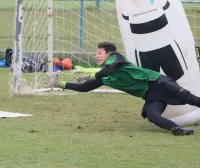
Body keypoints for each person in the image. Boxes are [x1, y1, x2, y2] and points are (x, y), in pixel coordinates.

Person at [44, 42, 200, 136]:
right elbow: (84, 88)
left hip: (159, 82)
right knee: (152, 116)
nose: (96, 56)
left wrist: (92, 75)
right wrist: (61, 84)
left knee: (191, 99)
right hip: (150, 95)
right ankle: (176, 129)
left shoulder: (116, 58)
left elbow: (108, 70)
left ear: (109, 53)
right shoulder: (103, 75)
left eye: (99, 53)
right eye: (96, 54)